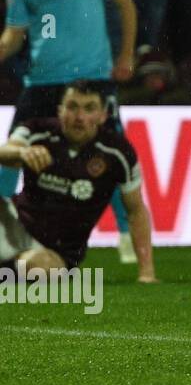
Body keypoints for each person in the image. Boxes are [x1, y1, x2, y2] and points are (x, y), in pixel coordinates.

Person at [0, 0, 138, 263]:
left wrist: (126, 56)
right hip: (42, 82)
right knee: (9, 157)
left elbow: (124, 4)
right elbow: (13, 36)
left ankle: (128, 242)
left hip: (91, 80)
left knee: (113, 159)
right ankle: (5, 235)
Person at [0, 80, 156, 283]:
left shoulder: (118, 153)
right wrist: (22, 152)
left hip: (57, 251)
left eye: (89, 108)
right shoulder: (37, 130)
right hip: (12, 222)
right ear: (60, 111)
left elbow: (135, 210)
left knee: (40, 268)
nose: (79, 117)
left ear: (102, 115)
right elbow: (5, 151)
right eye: (72, 107)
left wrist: (147, 273)